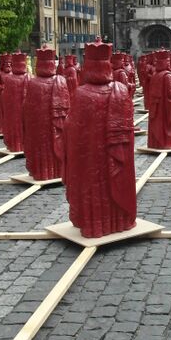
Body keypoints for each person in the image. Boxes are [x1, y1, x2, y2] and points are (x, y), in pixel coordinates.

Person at [63, 39, 136, 238]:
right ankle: (119, 221)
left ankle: (95, 225)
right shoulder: (121, 90)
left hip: (90, 160)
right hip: (111, 157)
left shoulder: (81, 94)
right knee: (112, 180)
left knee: (93, 185)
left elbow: (73, 130)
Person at [23, 46, 70, 181]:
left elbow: (27, 107)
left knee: (41, 147)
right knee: (52, 144)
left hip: (38, 126)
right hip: (51, 124)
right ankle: (57, 171)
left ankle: (42, 172)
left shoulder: (33, 82)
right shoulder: (60, 81)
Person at [147, 49, 171, 150]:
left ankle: (157, 143)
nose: (169, 63)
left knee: (158, 123)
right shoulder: (167, 75)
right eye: (167, 61)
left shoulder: (155, 74)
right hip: (165, 107)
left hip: (156, 107)